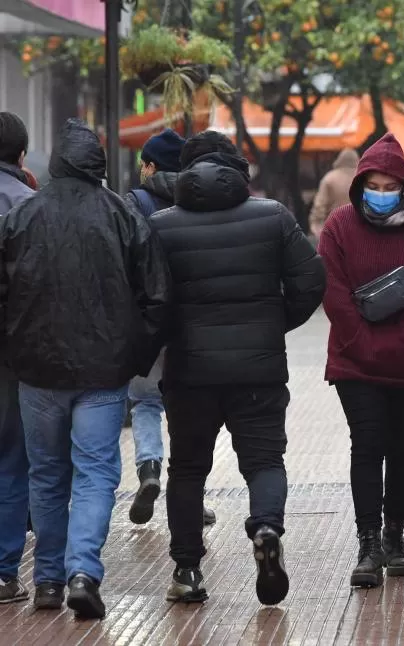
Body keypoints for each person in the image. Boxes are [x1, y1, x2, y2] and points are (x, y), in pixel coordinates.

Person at [0, 119, 171, 619]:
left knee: (47, 476)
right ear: (97, 164)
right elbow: (157, 296)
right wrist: (133, 356)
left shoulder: (24, 214)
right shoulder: (123, 214)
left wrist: (16, 351)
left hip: (37, 373)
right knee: (95, 474)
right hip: (102, 374)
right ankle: (82, 571)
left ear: (53, 162)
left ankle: (48, 580)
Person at [150, 131, 325, 606]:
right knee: (265, 462)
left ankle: (187, 570)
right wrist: (273, 325)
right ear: (237, 168)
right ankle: (266, 527)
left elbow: (150, 300)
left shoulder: (162, 226)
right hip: (258, 372)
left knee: (187, 470)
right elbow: (312, 280)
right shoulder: (272, 217)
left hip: (189, 373)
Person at [320, 133, 404, 589]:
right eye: (372, 185)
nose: (380, 193)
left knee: (402, 445)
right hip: (355, 362)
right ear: (359, 185)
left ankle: (395, 533)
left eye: (388, 185)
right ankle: (368, 542)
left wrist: (403, 342)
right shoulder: (339, 227)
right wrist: (366, 344)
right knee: (367, 442)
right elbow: (332, 293)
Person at [123, 129, 217, 528]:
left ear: (149, 166)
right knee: (190, 413)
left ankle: (149, 469)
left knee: (145, 401)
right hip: (189, 323)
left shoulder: (134, 201)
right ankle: (191, 498)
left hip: (146, 321)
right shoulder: (201, 198)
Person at [0, 112, 33, 605]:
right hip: (12, 350)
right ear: (22, 155)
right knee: (11, 458)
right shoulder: (30, 205)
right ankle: (4, 571)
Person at [309, 147, 359, 239]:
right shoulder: (363, 178)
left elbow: (320, 205)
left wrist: (316, 224)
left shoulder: (329, 178)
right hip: (359, 229)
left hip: (334, 230)